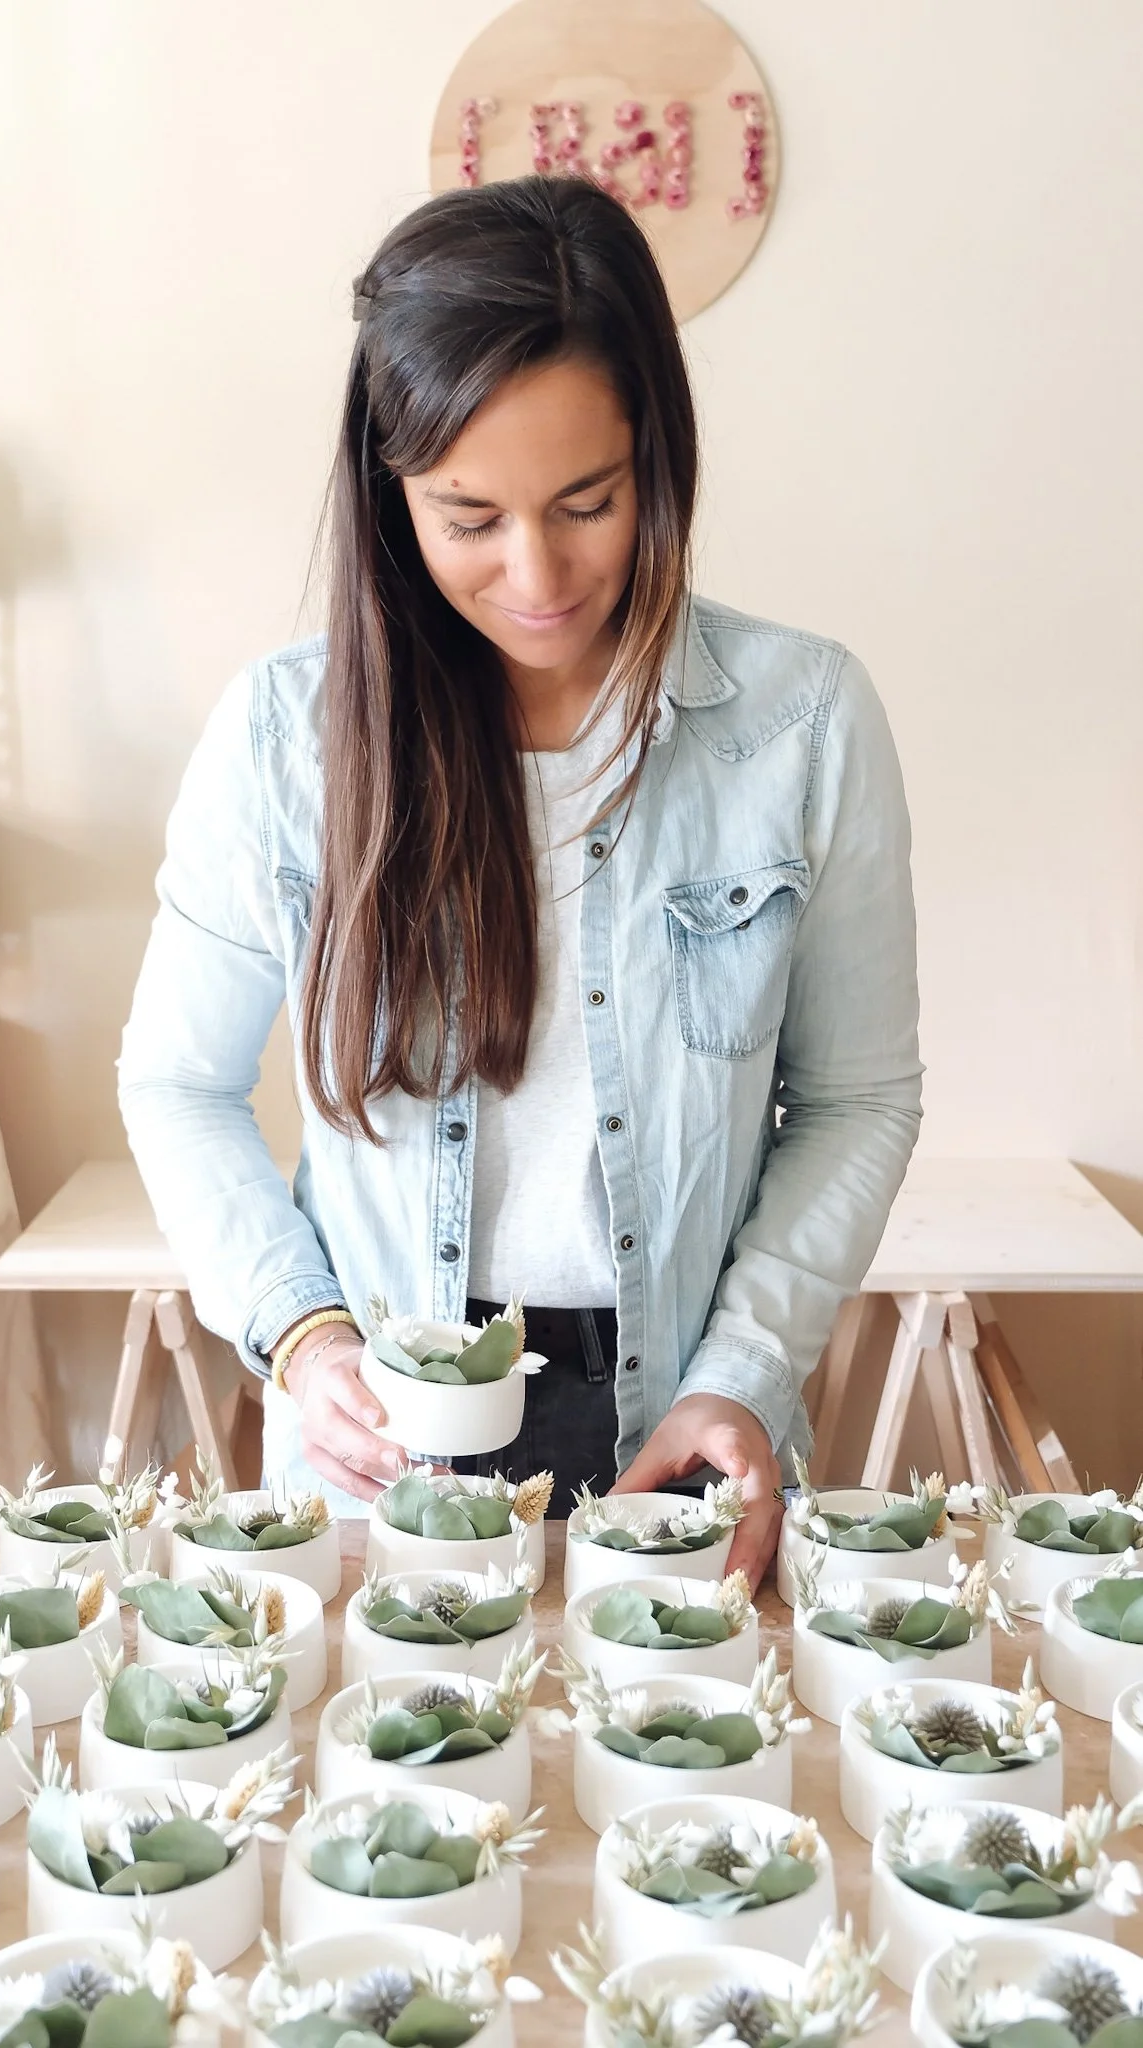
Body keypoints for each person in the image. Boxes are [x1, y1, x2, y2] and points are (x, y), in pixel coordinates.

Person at [117, 173, 922, 1587]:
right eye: (467, 516)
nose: (536, 572)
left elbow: (855, 1098)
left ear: (656, 459)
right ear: (390, 493)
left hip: (680, 1426)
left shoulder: (799, 722)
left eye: (587, 502)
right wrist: (302, 1337)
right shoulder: (285, 739)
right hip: (377, 1442)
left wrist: (741, 1371)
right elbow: (176, 1082)